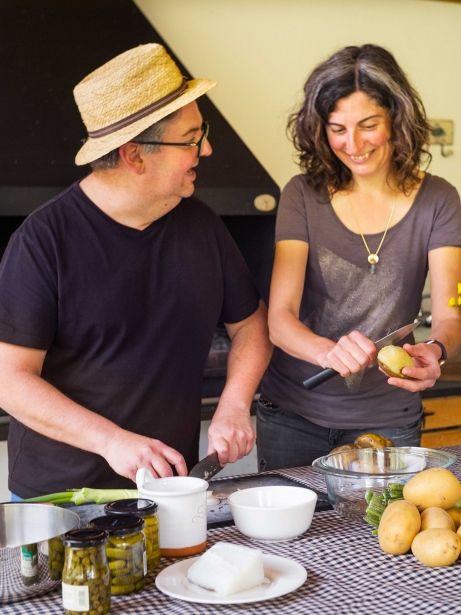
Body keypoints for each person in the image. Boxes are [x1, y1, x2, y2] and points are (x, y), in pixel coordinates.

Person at [0, 43, 271, 498]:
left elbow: (250, 327)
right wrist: (112, 441)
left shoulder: (201, 225)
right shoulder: (43, 241)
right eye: (190, 139)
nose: (205, 149)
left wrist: (233, 405)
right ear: (134, 156)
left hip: (169, 490)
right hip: (63, 499)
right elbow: (8, 379)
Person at [257, 43, 461, 471]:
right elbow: (280, 319)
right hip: (293, 416)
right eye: (337, 129)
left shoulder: (439, 199)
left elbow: (451, 315)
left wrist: (437, 350)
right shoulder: (302, 195)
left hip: (389, 419)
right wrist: (328, 352)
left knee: (381, 535)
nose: (353, 145)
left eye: (369, 125)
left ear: (397, 120)